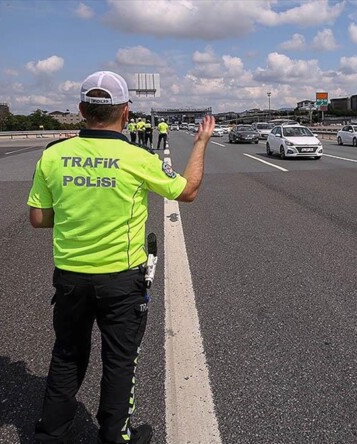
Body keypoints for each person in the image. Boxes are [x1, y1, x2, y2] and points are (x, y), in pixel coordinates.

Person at [27, 70, 215, 444]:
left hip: (70, 278)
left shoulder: (54, 155)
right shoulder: (138, 158)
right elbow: (188, 190)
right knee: (119, 360)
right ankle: (115, 435)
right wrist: (200, 143)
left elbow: (38, 218)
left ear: (82, 110)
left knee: (67, 354)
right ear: (126, 113)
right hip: (120, 281)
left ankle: (51, 434)